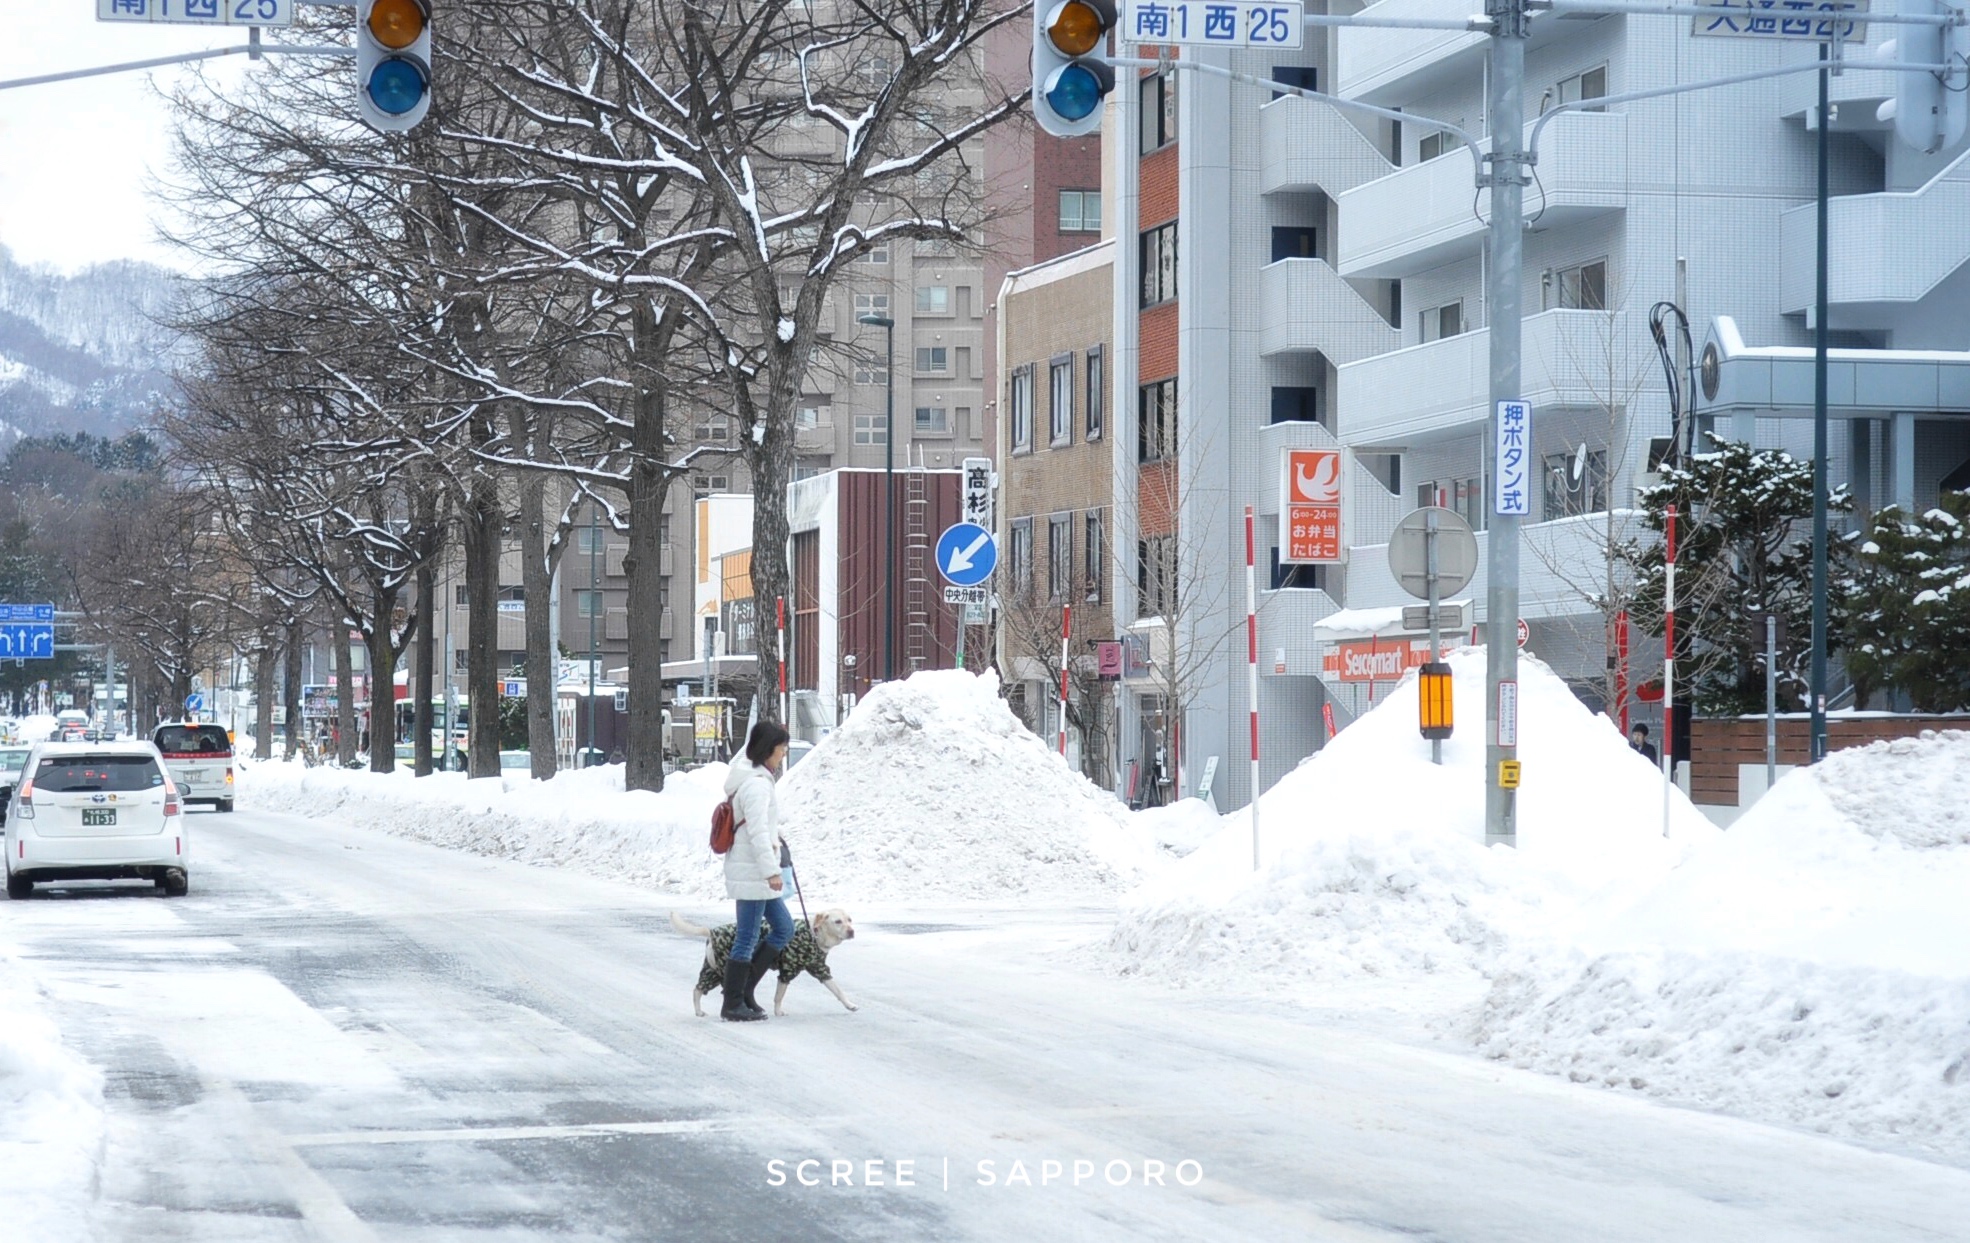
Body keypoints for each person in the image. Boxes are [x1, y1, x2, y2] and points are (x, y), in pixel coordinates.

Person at [718, 721, 794, 1022]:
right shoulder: (756, 784)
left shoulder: (756, 779)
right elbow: (758, 833)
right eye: (782, 747)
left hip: (755, 869)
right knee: (747, 937)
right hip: (753, 871)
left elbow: (762, 829)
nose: (785, 752)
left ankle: (745, 991)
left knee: (784, 928)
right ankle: (733, 1001)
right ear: (768, 749)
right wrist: (770, 871)